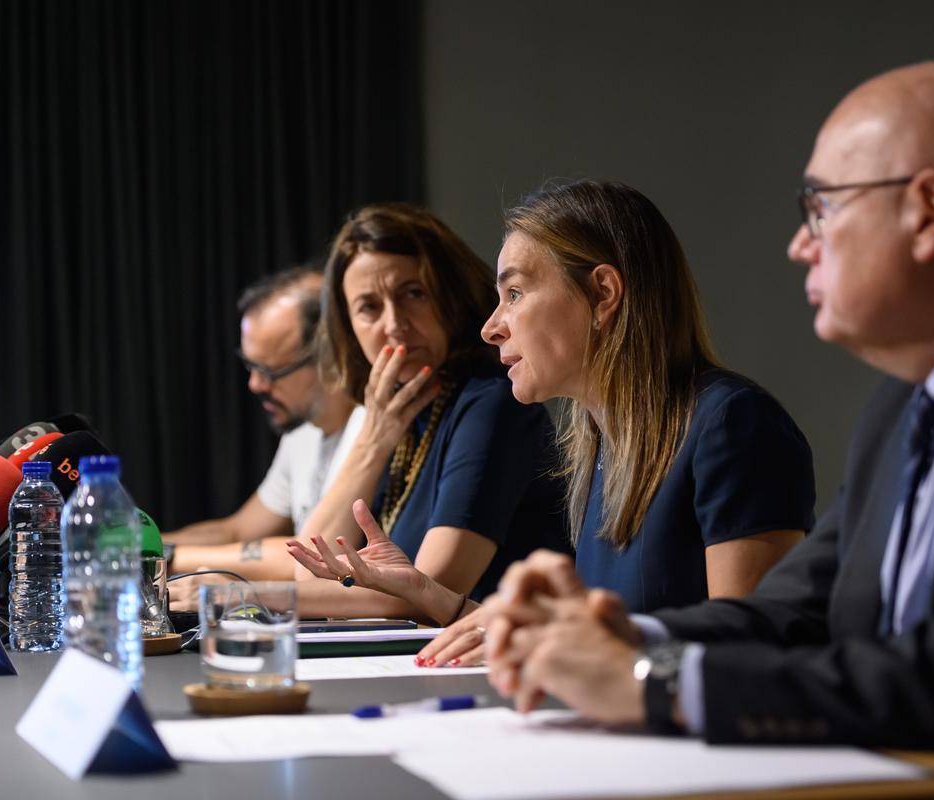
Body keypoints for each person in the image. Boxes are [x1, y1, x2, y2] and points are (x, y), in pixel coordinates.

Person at [482, 60, 934, 797]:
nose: (800, 245)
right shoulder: (902, 408)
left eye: (821, 209)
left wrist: (653, 680)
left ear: (931, 213)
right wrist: (616, 639)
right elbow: (795, 611)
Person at [293, 181, 815, 666]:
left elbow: (746, 652)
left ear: (603, 294)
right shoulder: (601, 443)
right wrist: (426, 593)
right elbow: (595, 640)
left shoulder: (731, 423)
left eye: (514, 294)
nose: (491, 327)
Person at [283, 203, 568, 621]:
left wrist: (246, 598)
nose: (394, 324)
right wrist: (372, 442)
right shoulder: (398, 417)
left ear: (451, 295)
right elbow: (309, 569)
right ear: (348, 327)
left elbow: (431, 595)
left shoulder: (493, 403)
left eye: (412, 293)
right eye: (369, 307)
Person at [163, 265, 362, 584]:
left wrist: (162, 558)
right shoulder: (304, 430)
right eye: (250, 366)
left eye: (270, 371)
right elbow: (237, 531)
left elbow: (312, 559)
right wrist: (143, 543)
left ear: (329, 354)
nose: (255, 384)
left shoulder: (369, 427)